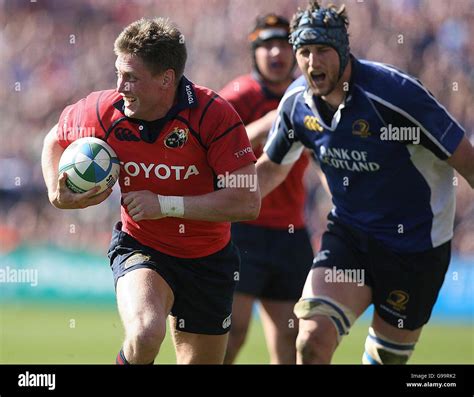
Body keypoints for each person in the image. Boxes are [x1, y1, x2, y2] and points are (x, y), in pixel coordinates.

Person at [256, 1, 474, 365]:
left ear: (344, 51)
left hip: (417, 246)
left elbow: (467, 161)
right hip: (350, 236)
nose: (313, 63)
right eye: (304, 52)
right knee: (310, 342)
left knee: (384, 361)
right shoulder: (296, 102)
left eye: (323, 51)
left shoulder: (396, 94)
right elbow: (270, 170)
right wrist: (210, 202)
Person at [41, 17, 260, 365]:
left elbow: (247, 201)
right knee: (145, 332)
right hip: (142, 246)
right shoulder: (104, 109)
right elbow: (55, 138)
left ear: (166, 79)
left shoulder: (213, 115)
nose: (120, 86)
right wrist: (57, 191)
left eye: (131, 77)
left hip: (209, 259)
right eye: (118, 73)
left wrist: (166, 205)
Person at [219, 14, 313, 364]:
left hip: (290, 233)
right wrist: (272, 121)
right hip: (242, 230)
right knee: (232, 331)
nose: (277, 52)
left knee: (291, 337)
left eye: (285, 44)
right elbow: (211, 147)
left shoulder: (308, 94)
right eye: (267, 45)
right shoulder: (239, 95)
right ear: (254, 52)